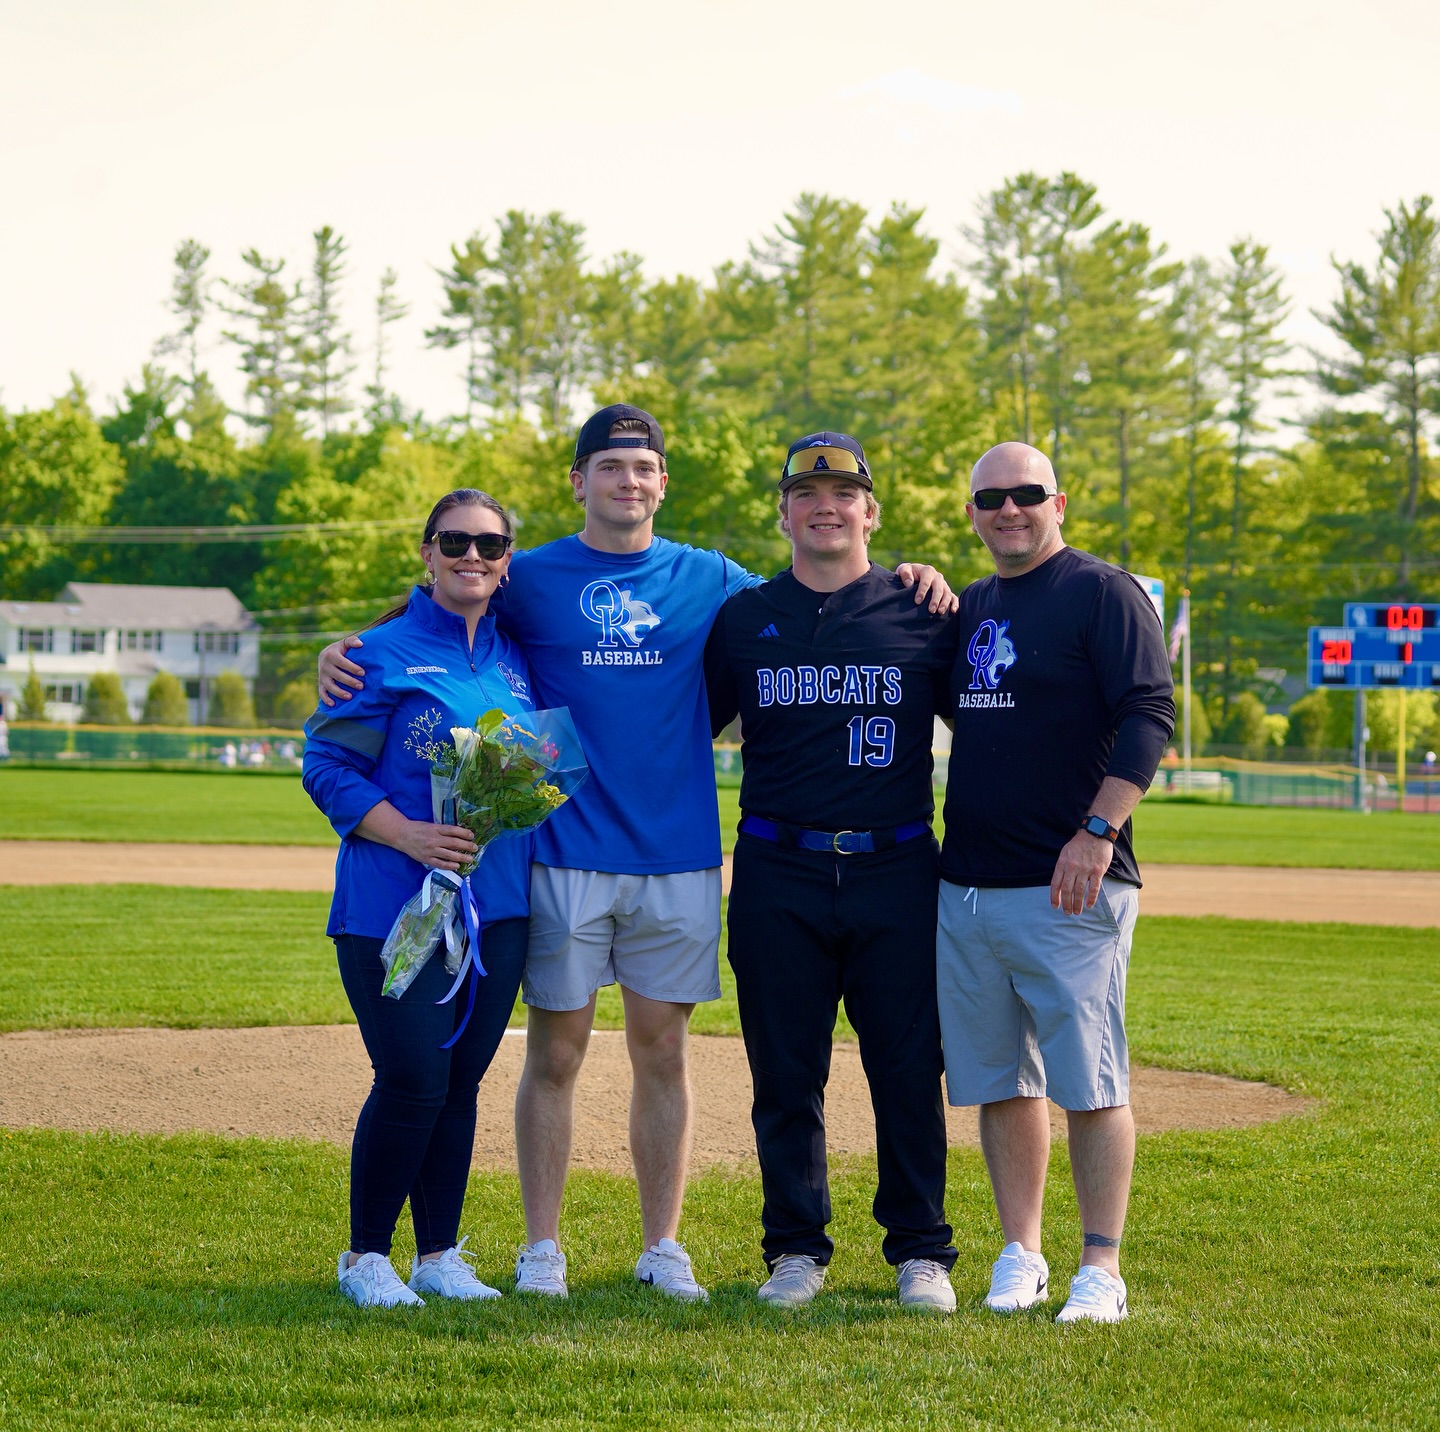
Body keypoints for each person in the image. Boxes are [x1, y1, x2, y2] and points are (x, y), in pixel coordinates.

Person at [317, 405, 955, 1302]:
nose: (627, 481)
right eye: (609, 466)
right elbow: (443, 609)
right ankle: (542, 1249)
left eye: (642, 467)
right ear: (579, 481)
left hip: (679, 856)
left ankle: (664, 1246)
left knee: (664, 1053)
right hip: (563, 853)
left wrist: (914, 576)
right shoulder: (529, 575)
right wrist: (345, 648)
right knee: (555, 1054)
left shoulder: (714, 580)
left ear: (662, 483)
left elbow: (818, 584)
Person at [704, 433, 960, 1311]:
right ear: (783, 515)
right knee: (784, 1072)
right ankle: (795, 1249)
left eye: (845, 493)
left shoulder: (923, 611)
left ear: (870, 512)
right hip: (780, 865)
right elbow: (676, 724)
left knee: (908, 1069)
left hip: (897, 865)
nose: (826, 506)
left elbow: (999, 716)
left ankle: (920, 1250)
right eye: (807, 494)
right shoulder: (744, 619)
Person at [936, 442, 1174, 1324]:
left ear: (1058, 503)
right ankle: (1021, 1252)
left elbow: (1149, 712)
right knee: (1001, 1079)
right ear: (972, 512)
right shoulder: (972, 606)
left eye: (1027, 494)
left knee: (1091, 1081)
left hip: (1071, 883)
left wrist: (1097, 831)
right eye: (991, 498)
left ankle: (1101, 1268)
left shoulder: (1102, 592)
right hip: (968, 884)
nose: (1009, 509)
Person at [303, 488, 535, 1309]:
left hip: (497, 909)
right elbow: (325, 766)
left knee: (460, 1081)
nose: (472, 556)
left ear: (507, 561)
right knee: (411, 1077)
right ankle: (366, 1257)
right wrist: (407, 835)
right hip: (392, 905)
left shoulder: (518, 655)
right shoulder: (376, 654)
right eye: (454, 541)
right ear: (427, 553)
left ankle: (438, 1256)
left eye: (489, 545)